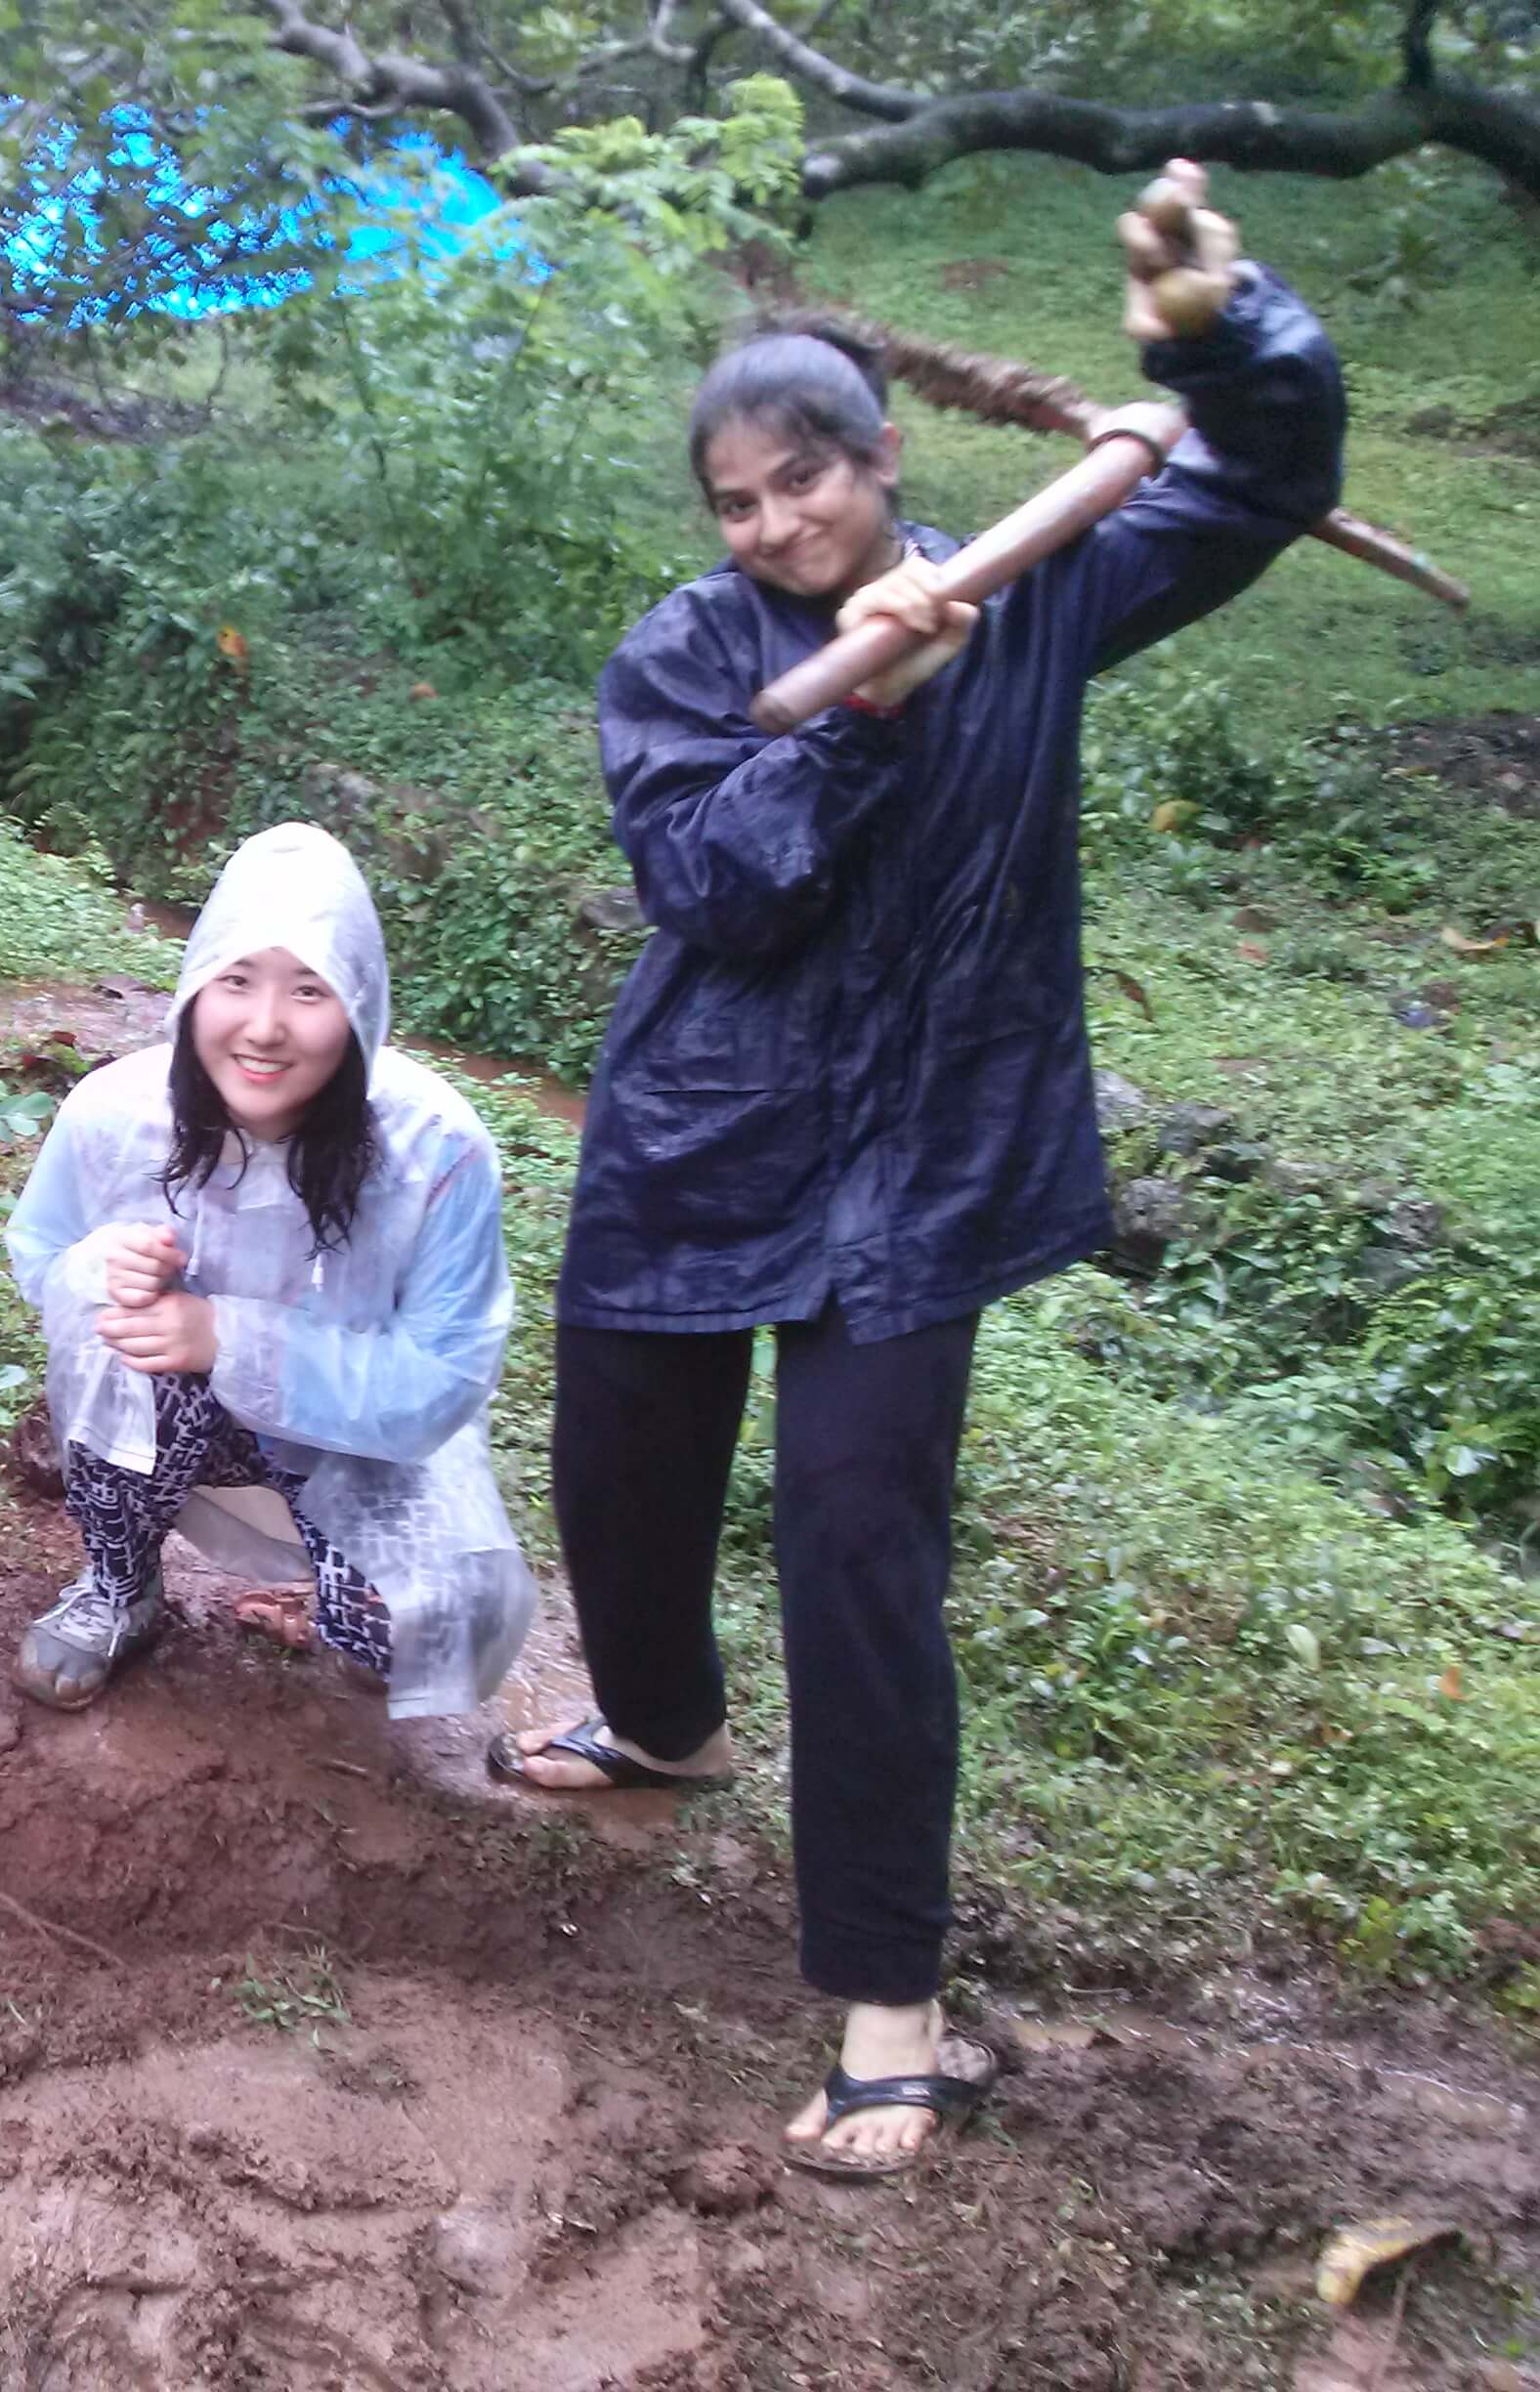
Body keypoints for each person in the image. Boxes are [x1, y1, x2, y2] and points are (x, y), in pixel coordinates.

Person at [491, 163, 1345, 2179]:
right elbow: (716, 884)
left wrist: (1221, 338)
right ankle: (668, 1731)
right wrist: (866, 706)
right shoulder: (687, 655)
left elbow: (1265, 481)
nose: (780, 525)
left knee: (858, 1547)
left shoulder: (1041, 586)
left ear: (885, 459)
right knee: (618, 1481)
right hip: (705, 1144)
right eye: (741, 502)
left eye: (809, 481)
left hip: (924, 1171)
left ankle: (892, 2004)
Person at [5, 821, 536, 1721]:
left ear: (361, 1006)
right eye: (237, 980)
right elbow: (41, 1257)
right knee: (110, 1317)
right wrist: (106, 1273)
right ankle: (121, 1585)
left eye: (309, 990)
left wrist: (228, 1335)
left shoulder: (434, 1150)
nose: (264, 1028)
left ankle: (338, 1589)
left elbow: (444, 1374)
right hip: (183, 1416)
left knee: (435, 1623)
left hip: (355, 1438)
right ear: (193, 988)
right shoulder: (117, 1113)